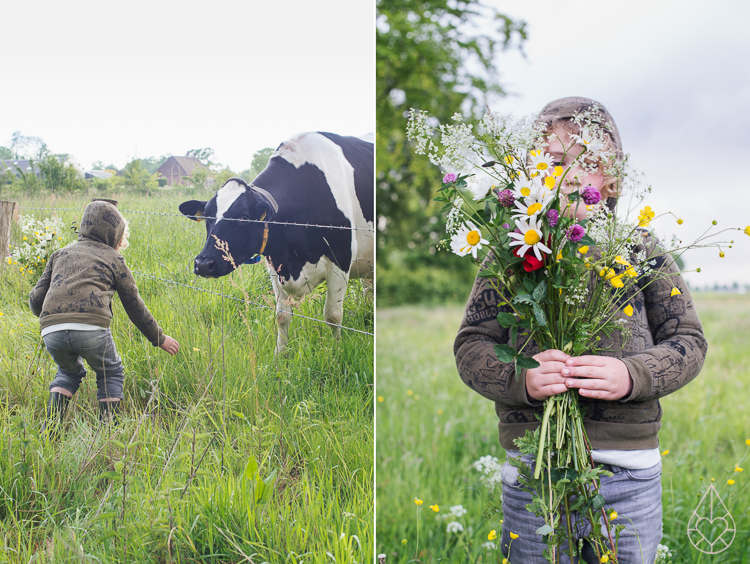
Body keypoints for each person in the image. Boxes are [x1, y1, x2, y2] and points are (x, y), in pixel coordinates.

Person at [453, 97, 707, 563]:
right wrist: (521, 379)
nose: (569, 176)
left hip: (628, 475)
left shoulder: (640, 250)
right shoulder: (509, 254)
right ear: (530, 170)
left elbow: (689, 341)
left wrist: (634, 374)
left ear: (610, 177)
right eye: (553, 161)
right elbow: (471, 345)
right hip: (536, 472)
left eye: (586, 161)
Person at [30, 201, 179, 437]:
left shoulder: (60, 254)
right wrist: (159, 338)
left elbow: (36, 297)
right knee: (111, 372)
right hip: (92, 328)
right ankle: (107, 436)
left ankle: (50, 432)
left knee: (67, 373)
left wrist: (54, 318)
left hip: (51, 329)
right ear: (115, 234)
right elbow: (134, 305)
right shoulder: (114, 259)